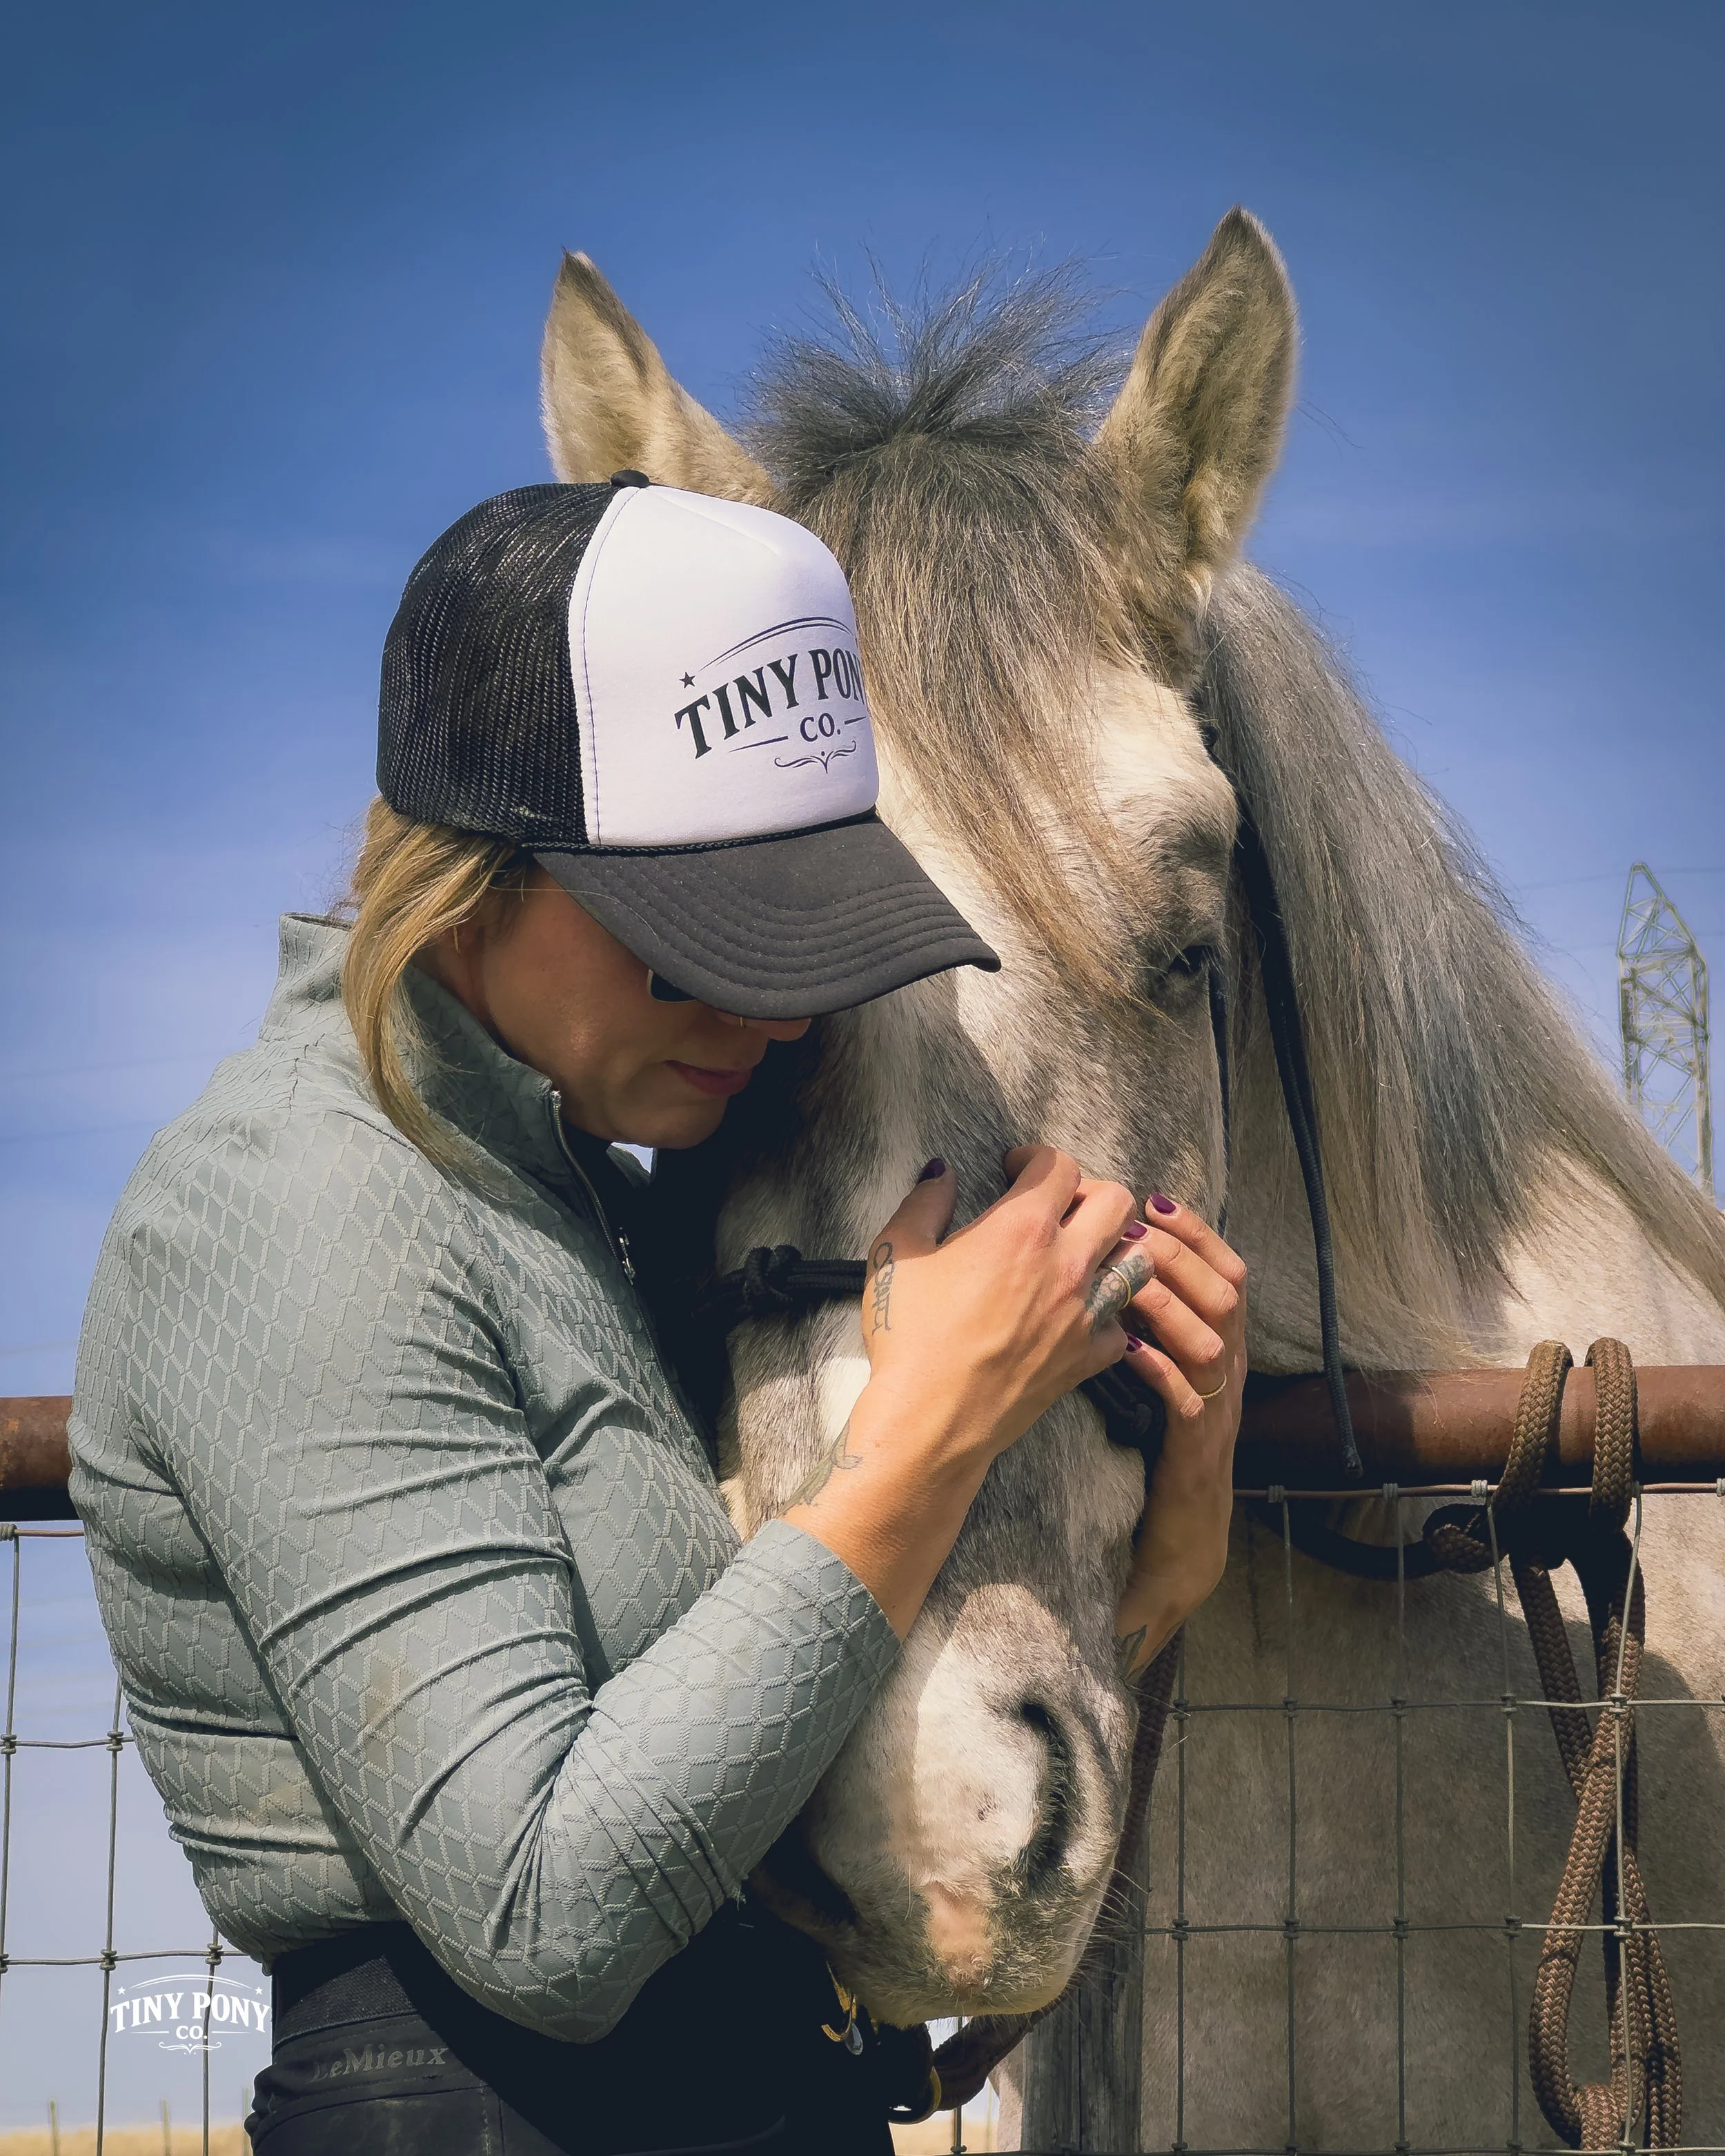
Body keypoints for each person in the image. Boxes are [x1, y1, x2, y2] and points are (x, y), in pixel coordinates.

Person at [70, 474, 1246, 2155]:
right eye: (693, 941)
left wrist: (1169, 1546)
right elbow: (542, 1915)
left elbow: (781, 1749)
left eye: (797, 934)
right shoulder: (291, 1203)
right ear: (474, 866)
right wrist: (926, 1429)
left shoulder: (584, 1209)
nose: (767, 1009)